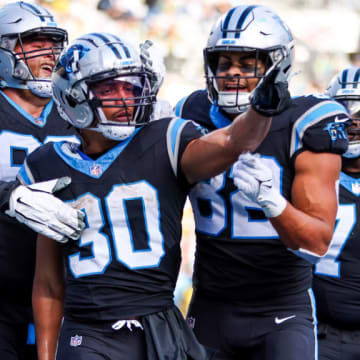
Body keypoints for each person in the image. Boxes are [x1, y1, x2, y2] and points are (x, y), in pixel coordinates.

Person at [22, 31, 291, 360]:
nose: (124, 99)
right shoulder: (48, 163)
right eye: (109, 89)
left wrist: (262, 109)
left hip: (161, 326)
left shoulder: (165, 139)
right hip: (89, 332)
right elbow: (48, 283)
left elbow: (233, 142)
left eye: (131, 87)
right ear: (74, 97)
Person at [174, 5, 351, 360]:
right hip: (210, 305)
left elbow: (316, 243)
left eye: (247, 63)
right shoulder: (188, 113)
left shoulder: (308, 120)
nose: (232, 74)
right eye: (224, 63)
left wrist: (274, 202)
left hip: (281, 312)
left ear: (277, 65)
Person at [0, 2, 83, 359]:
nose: (49, 54)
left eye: (54, 44)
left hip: (65, 293)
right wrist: (8, 195)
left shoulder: (77, 112)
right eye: (35, 43)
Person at [312, 67, 360, 360]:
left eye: (359, 114)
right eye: (343, 114)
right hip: (321, 332)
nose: (352, 123)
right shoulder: (309, 175)